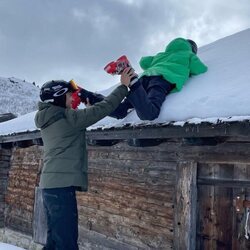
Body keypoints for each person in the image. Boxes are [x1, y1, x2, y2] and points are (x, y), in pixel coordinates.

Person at [34, 70, 136, 250]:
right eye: (68, 95)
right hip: (61, 189)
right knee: (66, 243)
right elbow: (103, 108)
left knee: (54, 241)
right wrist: (123, 86)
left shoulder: (50, 118)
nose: (71, 98)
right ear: (57, 98)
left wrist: (86, 113)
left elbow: (73, 126)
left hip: (50, 187)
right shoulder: (68, 117)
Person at [75, 38, 208, 121]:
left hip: (145, 79)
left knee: (121, 111)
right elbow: (200, 69)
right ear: (192, 49)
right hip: (162, 80)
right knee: (149, 114)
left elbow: (144, 62)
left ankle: (83, 94)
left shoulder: (162, 55)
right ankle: (132, 79)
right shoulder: (188, 55)